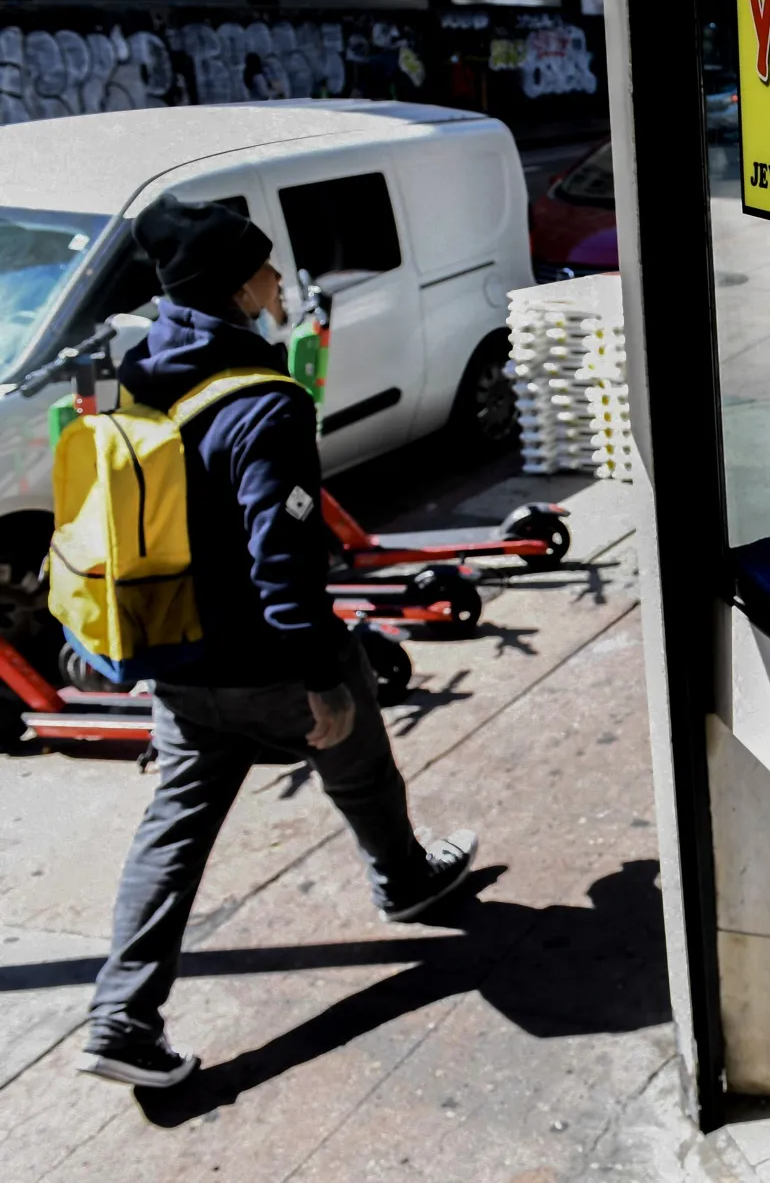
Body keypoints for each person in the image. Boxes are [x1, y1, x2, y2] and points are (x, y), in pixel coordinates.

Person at [77, 197, 476, 1089]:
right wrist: (319, 680)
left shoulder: (133, 369)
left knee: (173, 834)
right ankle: (405, 879)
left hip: (174, 653)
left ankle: (120, 1015)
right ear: (235, 287)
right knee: (360, 760)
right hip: (268, 659)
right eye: (264, 269)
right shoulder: (265, 403)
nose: (278, 281)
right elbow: (283, 558)